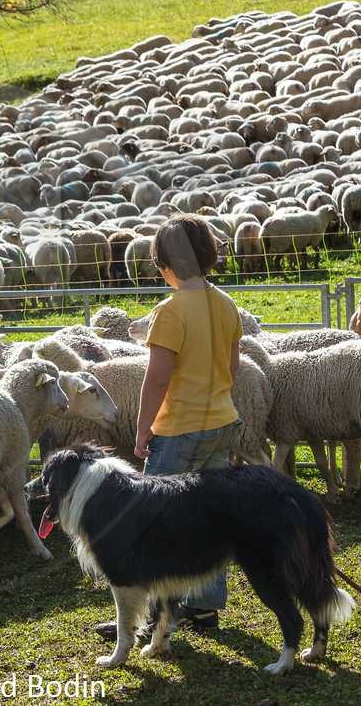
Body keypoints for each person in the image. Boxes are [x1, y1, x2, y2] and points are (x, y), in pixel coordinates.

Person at [95, 214, 243, 641]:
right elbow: (231, 368)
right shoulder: (226, 304)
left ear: (165, 263)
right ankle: (204, 605)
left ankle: (152, 616)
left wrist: (142, 429)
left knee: (152, 520)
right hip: (221, 422)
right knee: (209, 516)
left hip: (179, 429)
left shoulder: (171, 311)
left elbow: (157, 377)